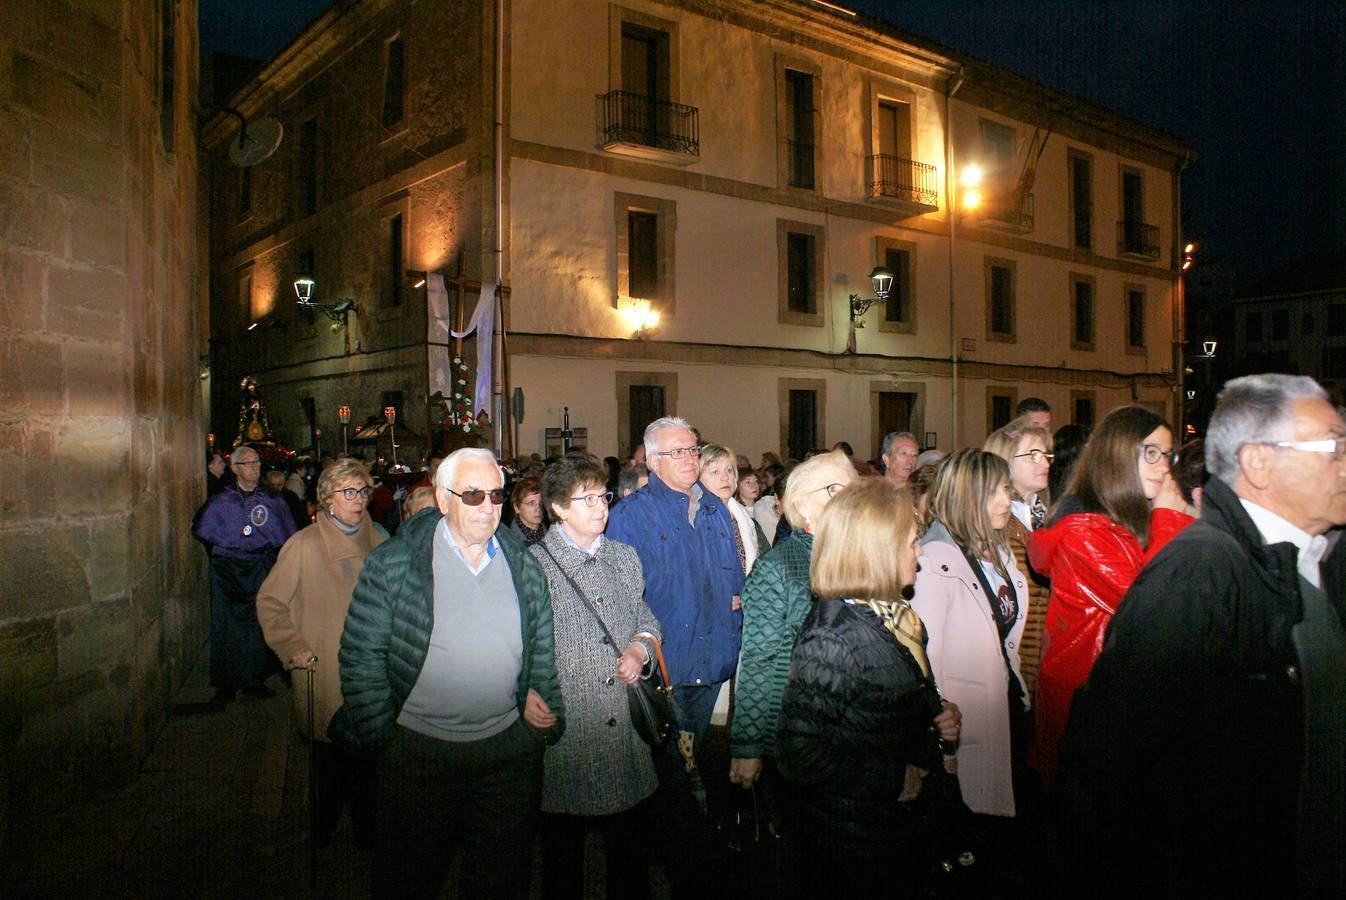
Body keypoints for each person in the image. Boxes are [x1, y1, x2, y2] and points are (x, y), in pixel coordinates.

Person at [1060, 375, 1346, 898]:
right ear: (1258, 462)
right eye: (1332, 446)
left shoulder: (1317, 556)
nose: (1344, 462)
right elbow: (1114, 763)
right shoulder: (1201, 570)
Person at [332, 447, 566, 899]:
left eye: (496, 495)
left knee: (500, 879)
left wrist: (538, 701)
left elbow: (540, 646)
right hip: (420, 754)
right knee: (410, 877)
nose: (488, 507)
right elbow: (361, 656)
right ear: (443, 499)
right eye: (472, 495)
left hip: (505, 756)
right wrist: (384, 736)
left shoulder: (522, 563)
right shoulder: (396, 563)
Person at [775, 478, 961, 895]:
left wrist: (936, 711)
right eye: (913, 541)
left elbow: (887, 693)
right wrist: (895, 780)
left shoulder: (893, 614)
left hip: (895, 831)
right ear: (878, 550)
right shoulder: (831, 638)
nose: (921, 552)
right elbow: (798, 753)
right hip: (856, 840)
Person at [1027, 405, 1192, 786]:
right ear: (1118, 453)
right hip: (1093, 711)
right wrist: (1170, 519)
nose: (1164, 467)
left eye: (1168, 455)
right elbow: (1151, 602)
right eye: (1151, 452)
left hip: (1116, 705)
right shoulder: (1084, 531)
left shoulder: (1125, 520)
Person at [529, 455, 660, 900]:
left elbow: (645, 615)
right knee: (563, 858)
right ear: (559, 508)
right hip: (569, 732)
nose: (601, 507)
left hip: (624, 729)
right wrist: (526, 690)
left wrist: (641, 646)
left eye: (602, 496)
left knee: (629, 854)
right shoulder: (534, 565)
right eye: (586, 500)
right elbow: (518, 642)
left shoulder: (623, 557)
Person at [256, 458, 387, 846]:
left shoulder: (380, 541)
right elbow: (270, 602)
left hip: (372, 672)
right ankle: (323, 831)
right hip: (325, 667)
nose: (358, 499)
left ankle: (368, 835)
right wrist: (292, 645)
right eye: (348, 492)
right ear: (327, 497)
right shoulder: (303, 545)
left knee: (369, 766)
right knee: (330, 765)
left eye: (363, 491)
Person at [605, 417, 742, 755]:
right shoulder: (629, 516)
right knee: (671, 774)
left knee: (702, 760)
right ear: (653, 462)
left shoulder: (715, 509)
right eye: (677, 452)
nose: (689, 458)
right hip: (667, 666)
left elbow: (734, 579)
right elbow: (618, 598)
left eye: (692, 450)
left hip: (713, 660)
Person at [729, 449, 857, 791]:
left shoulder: (860, 557)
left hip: (850, 727)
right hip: (795, 729)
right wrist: (748, 744)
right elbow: (759, 659)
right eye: (833, 489)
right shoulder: (778, 567)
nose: (849, 498)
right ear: (801, 505)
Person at [911, 449, 1028, 821]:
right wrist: (944, 744)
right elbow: (926, 659)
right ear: (966, 496)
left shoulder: (998, 552)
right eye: (994, 492)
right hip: (965, 722)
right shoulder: (935, 558)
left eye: (1007, 489)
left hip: (1005, 705)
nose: (1005, 500)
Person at [192, 445, 297, 709]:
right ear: (235, 469)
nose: (254, 467)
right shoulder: (221, 500)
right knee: (226, 625)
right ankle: (226, 685)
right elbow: (205, 532)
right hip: (227, 571)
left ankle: (253, 679)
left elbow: (285, 537)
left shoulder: (272, 499)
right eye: (248, 463)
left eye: (257, 462)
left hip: (260, 568)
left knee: (257, 624)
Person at [984, 416, 1054, 702]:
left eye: (1046, 454)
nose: (1046, 463)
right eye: (1033, 455)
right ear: (1005, 461)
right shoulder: (995, 526)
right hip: (1015, 664)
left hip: (1045, 659)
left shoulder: (1045, 516)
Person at [699, 443, 764, 577]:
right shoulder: (699, 518)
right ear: (698, 478)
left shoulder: (743, 515)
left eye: (729, 470)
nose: (725, 477)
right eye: (715, 472)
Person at [509, 476, 547, 545]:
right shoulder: (511, 542)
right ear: (516, 507)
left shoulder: (550, 533)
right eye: (531, 503)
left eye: (541, 503)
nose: (538, 508)